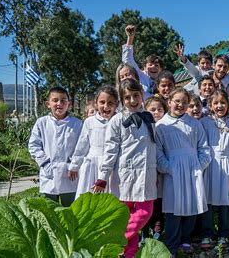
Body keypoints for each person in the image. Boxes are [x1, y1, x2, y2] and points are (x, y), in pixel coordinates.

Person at [94, 79, 157, 258]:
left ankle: (115, 243)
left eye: (135, 95)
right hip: (124, 176)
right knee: (125, 216)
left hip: (147, 173)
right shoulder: (116, 121)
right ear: (122, 99)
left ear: (142, 95)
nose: (132, 100)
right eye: (127, 97)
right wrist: (102, 177)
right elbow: (110, 150)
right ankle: (128, 253)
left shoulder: (149, 118)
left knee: (145, 211)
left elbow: (155, 145)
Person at [155, 88, 211, 255]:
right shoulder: (161, 126)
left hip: (193, 169)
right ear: (169, 101)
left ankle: (186, 239)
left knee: (193, 205)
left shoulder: (195, 124)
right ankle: (171, 244)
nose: (180, 105)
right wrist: (168, 167)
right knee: (173, 208)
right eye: (177, 101)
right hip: (173, 171)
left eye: (184, 102)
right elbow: (158, 151)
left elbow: (204, 148)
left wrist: (199, 166)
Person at [199, 89, 229, 248]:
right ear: (210, 105)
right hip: (209, 164)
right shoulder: (205, 123)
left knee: (224, 202)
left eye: (223, 102)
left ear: (228, 105)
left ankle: (224, 233)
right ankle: (207, 233)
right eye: (216, 103)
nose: (219, 106)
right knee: (207, 201)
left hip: (225, 165)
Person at [29, 86, 83, 207]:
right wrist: (45, 163)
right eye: (55, 100)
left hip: (70, 175)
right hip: (48, 175)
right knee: (49, 213)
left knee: (70, 212)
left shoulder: (77, 124)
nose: (59, 104)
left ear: (68, 104)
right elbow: (34, 145)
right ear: (48, 104)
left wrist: (74, 165)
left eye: (63, 100)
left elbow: (82, 147)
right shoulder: (41, 123)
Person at [70, 85, 119, 200]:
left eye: (110, 103)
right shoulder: (90, 122)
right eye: (102, 102)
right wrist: (74, 165)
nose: (106, 106)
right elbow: (82, 146)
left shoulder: (119, 121)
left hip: (112, 166)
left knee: (109, 198)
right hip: (92, 165)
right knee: (89, 197)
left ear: (116, 104)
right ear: (96, 103)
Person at [141, 96, 168, 241]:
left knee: (159, 203)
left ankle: (157, 230)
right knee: (145, 202)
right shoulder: (143, 127)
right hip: (147, 170)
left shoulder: (165, 127)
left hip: (162, 171)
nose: (156, 112)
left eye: (160, 109)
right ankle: (144, 233)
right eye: (152, 109)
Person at [123, 25, 163, 94]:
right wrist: (130, 38)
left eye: (156, 65)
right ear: (144, 67)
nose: (153, 67)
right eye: (150, 65)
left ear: (161, 69)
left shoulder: (164, 82)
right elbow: (127, 60)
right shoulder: (140, 75)